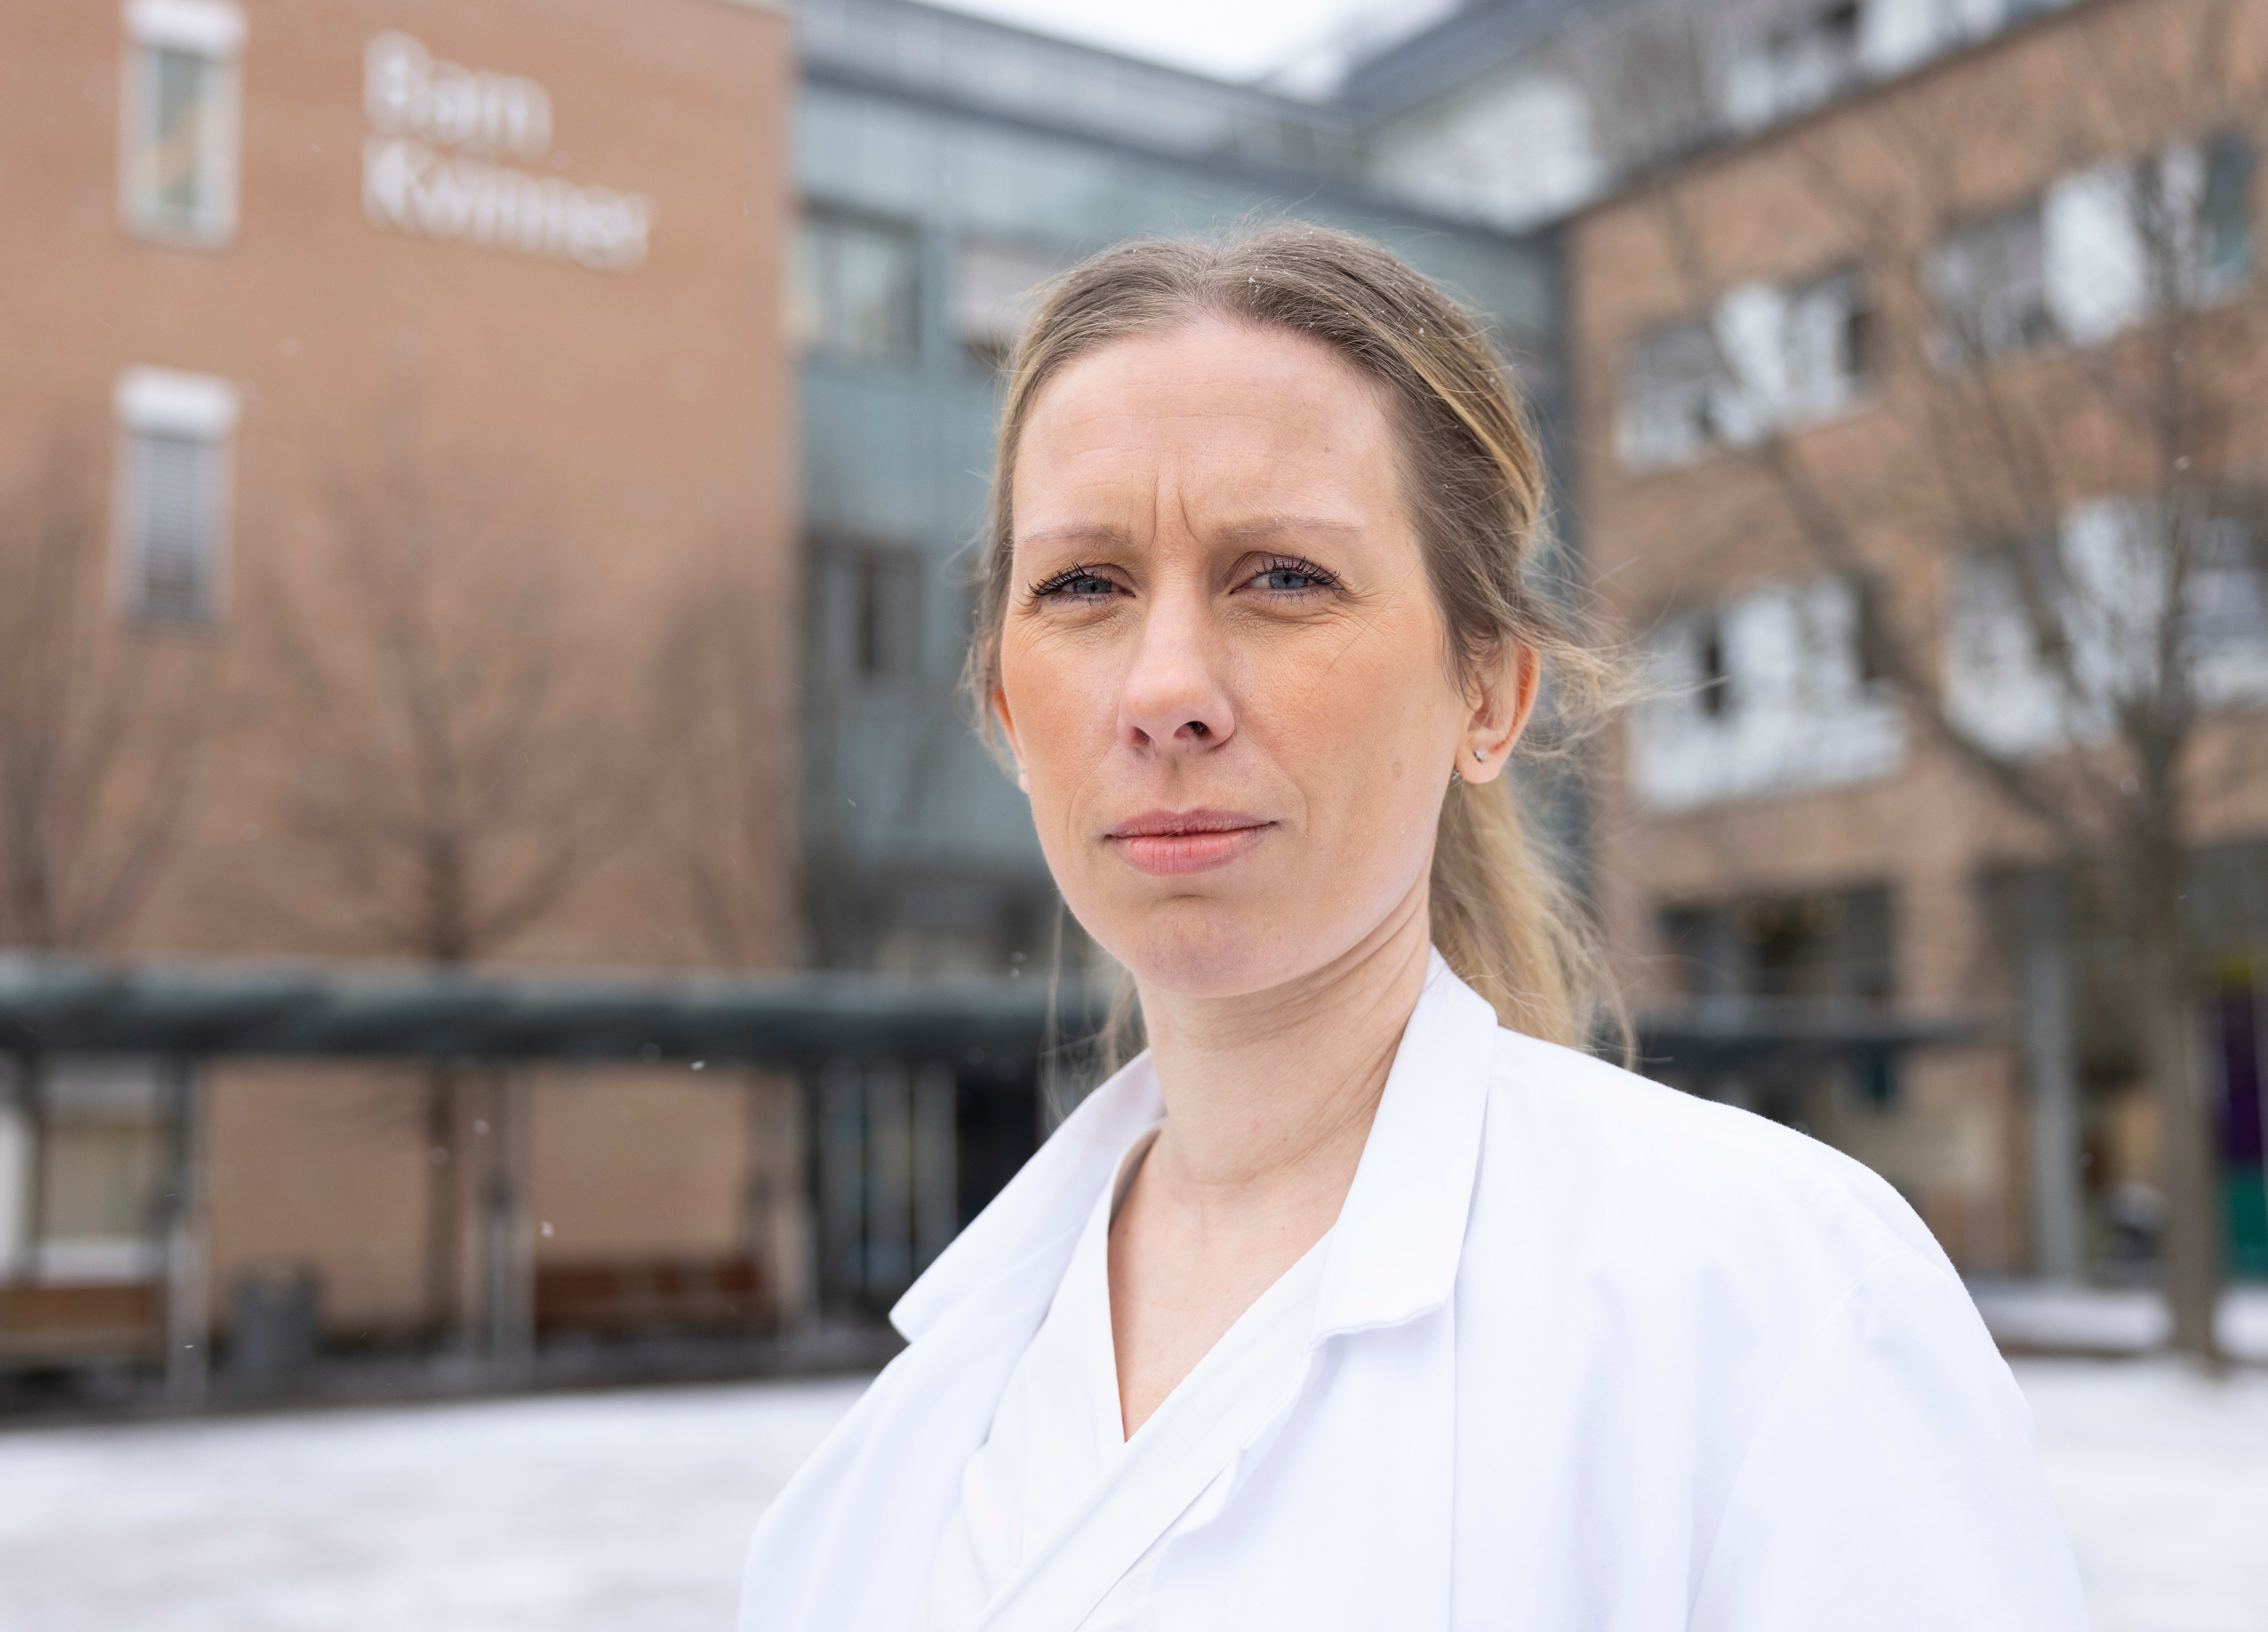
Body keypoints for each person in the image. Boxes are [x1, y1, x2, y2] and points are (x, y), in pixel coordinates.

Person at [740, 225, 2089, 1630]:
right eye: (1084, 585)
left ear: (1489, 695)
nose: (1164, 691)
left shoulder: (1772, 1301)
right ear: (1008, 712)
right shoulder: (898, 1443)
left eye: (1282, 575)